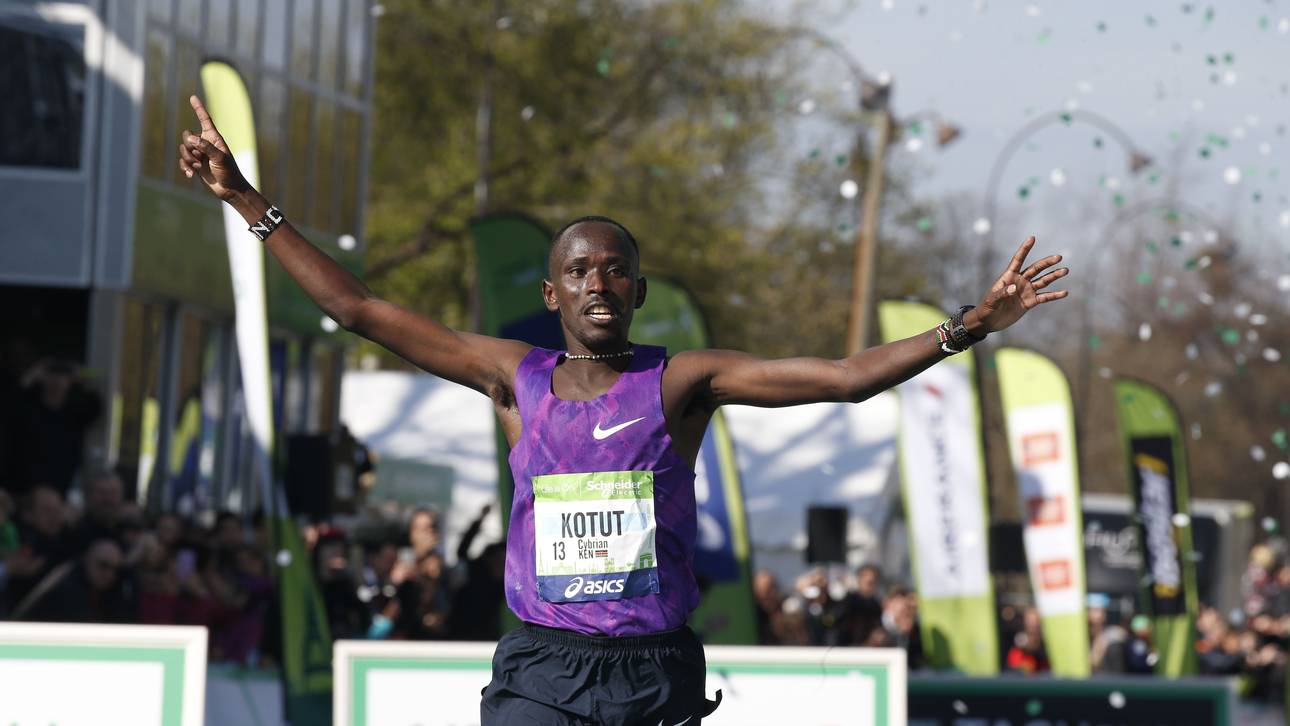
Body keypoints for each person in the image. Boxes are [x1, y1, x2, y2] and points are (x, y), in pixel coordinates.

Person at [178, 94, 1071, 725]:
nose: (597, 283)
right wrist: (245, 197)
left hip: (653, 674)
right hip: (541, 668)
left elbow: (843, 377)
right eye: (579, 271)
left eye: (614, 271)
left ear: (637, 290)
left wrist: (966, 328)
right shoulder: (513, 377)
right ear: (553, 293)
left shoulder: (683, 382)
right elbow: (360, 310)